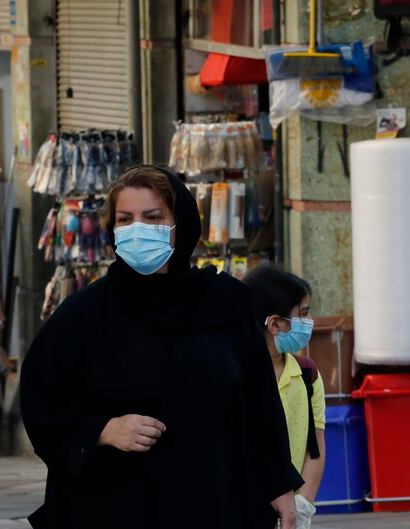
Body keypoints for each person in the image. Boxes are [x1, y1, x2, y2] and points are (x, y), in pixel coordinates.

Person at [20, 166, 302, 529]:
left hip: (215, 498)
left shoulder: (225, 304)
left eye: (152, 217)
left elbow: (259, 403)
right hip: (117, 503)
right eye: (125, 219)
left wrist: (279, 483)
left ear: (179, 222)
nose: (138, 228)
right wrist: (102, 429)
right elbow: (41, 397)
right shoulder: (85, 314)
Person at [246, 265, 326, 529]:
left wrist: (302, 506)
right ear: (275, 324)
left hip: (294, 511)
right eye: (303, 314)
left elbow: (316, 448)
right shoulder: (236, 377)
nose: (310, 321)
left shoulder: (307, 374)